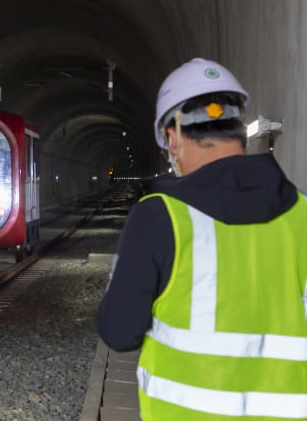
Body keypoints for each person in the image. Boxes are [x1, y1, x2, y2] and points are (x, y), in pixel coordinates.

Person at [96, 57, 307, 420]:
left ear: (172, 137)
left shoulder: (159, 217)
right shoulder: (302, 214)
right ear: (241, 128)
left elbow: (119, 331)